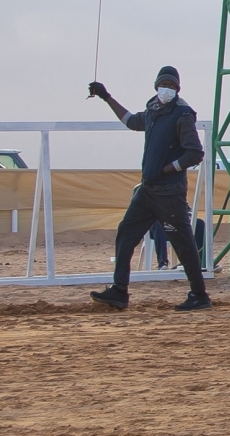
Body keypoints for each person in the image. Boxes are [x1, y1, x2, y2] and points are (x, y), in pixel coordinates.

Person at [85, 67, 209, 311]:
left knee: (184, 244)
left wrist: (166, 169)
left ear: (177, 89)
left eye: (172, 86)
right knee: (126, 233)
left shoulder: (182, 114)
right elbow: (131, 121)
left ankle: (199, 295)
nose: (167, 89)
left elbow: (195, 153)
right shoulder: (153, 110)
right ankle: (119, 291)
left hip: (170, 193)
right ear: (156, 86)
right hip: (148, 192)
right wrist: (106, 97)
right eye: (164, 84)